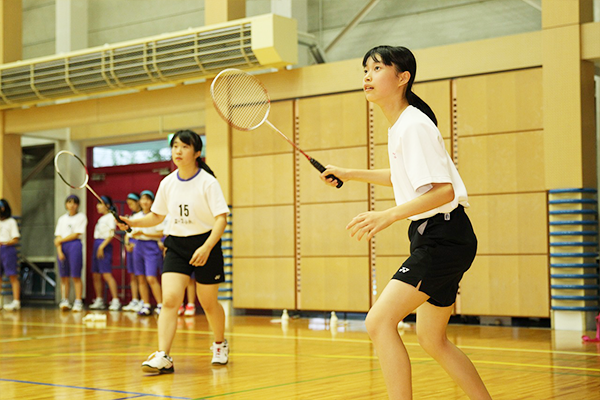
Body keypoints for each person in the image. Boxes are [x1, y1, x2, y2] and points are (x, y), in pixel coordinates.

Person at [320, 46, 491, 400]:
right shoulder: (402, 125)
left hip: (442, 236)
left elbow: (443, 192)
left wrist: (387, 215)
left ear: (402, 78)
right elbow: (406, 178)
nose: (367, 76)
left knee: (378, 321)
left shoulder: (413, 125)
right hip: (441, 235)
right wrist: (350, 174)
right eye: (364, 69)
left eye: (377, 68)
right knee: (432, 339)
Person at [118, 129, 229, 374]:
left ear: (197, 152)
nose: (178, 151)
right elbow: (157, 216)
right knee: (169, 300)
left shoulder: (208, 182)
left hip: (205, 243)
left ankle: (220, 344)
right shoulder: (167, 183)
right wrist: (133, 222)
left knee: (208, 303)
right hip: (177, 245)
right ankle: (164, 356)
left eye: (185, 146)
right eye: (175, 146)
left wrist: (207, 246)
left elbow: (221, 219)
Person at [131, 190, 164, 316]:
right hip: (138, 246)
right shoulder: (136, 216)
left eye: (147, 199)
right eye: (142, 199)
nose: (145, 202)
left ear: (152, 202)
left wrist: (144, 234)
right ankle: (146, 304)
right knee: (140, 277)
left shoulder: (156, 216)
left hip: (151, 246)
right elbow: (131, 231)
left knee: (151, 277)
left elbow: (161, 233)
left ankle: (160, 304)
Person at [54, 194, 87, 312]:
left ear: (77, 205)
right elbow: (57, 237)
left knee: (76, 275)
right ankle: (65, 300)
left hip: (74, 245)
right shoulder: (62, 219)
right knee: (64, 276)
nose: (71, 205)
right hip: (62, 247)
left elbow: (76, 234)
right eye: (69, 202)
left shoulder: (81, 217)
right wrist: (59, 251)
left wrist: (61, 240)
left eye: (74, 202)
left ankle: (78, 301)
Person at [89, 196, 121, 311]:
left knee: (106, 274)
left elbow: (111, 234)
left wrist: (102, 247)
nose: (98, 206)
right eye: (97, 204)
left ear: (107, 205)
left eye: (100, 204)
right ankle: (99, 299)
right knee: (96, 274)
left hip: (104, 245)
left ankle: (116, 300)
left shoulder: (110, 217)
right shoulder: (101, 219)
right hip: (96, 244)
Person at [122, 193, 142, 312]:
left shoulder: (142, 216)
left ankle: (142, 300)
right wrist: (127, 243)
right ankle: (134, 299)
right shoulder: (131, 216)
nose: (130, 206)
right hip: (130, 246)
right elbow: (127, 233)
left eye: (131, 204)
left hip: (139, 245)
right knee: (132, 275)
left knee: (140, 275)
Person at [0, 199, 21, 311]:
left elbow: (15, 238)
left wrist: (4, 243)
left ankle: (16, 301)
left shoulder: (11, 222)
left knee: (12, 275)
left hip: (7, 250)